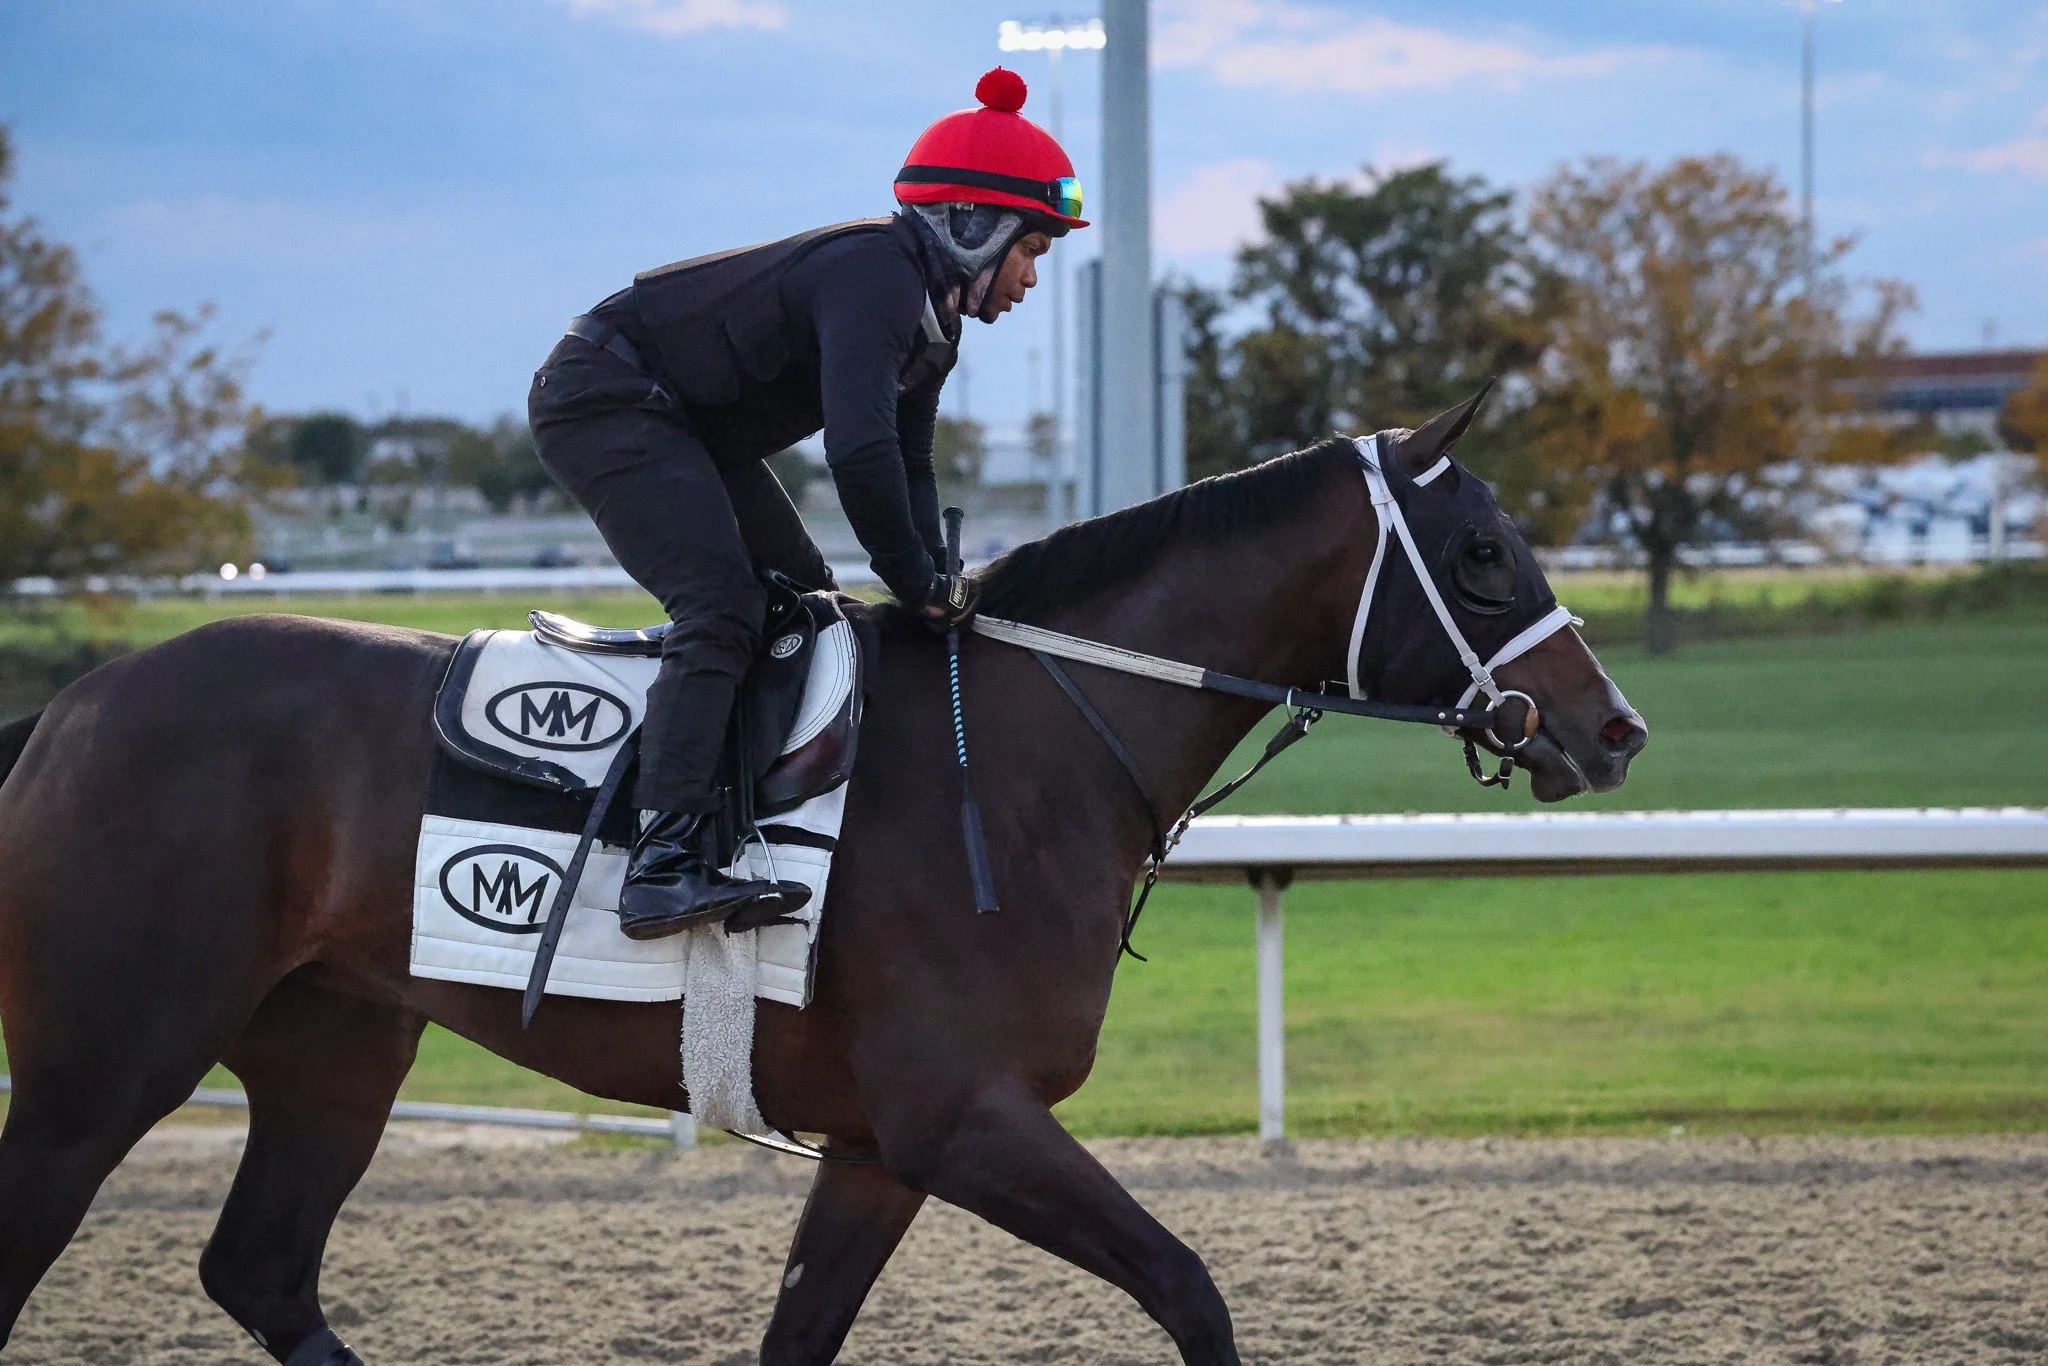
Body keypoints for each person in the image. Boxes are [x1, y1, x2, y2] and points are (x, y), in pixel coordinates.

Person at [528, 67, 1086, 940]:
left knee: (807, 599)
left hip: (685, 419)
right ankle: (660, 862)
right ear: (974, 226)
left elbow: (907, 461)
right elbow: (855, 453)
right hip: (607, 395)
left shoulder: (928, 323)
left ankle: (737, 821)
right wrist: (913, 583)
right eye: (1032, 251)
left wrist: (940, 579)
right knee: (721, 606)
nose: (1031, 278)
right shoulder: (877, 277)